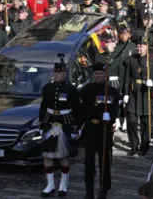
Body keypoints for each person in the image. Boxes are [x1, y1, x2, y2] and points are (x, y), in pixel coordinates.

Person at [38, 54, 82, 198]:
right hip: (50, 122)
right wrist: (41, 123)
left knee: (64, 155)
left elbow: (77, 109)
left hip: (66, 123)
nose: (57, 75)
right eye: (56, 72)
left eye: (60, 72)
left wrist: (76, 127)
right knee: (48, 155)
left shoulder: (71, 89)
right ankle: (50, 184)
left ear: (65, 73)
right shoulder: (47, 88)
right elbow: (43, 107)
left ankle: (63, 183)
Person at [80, 63, 121, 199]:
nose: (98, 76)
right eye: (96, 74)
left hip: (104, 131)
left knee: (105, 164)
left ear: (105, 75)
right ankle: (89, 191)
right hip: (91, 129)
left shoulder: (112, 91)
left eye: (101, 74)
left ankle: (103, 189)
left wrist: (112, 117)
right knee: (89, 163)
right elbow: (81, 109)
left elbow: (117, 107)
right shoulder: (86, 90)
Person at [122, 38, 153, 156]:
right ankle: (134, 145)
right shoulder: (131, 60)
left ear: (147, 47)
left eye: (142, 46)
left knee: (146, 121)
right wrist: (125, 93)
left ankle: (144, 146)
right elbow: (126, 78)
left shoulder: (151, 60)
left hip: (146, 92)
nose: (139, 48)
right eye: (138, 46)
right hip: (133, 92)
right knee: (131, 120)